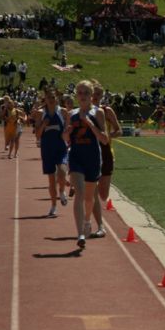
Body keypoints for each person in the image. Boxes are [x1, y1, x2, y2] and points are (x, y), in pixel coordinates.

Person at [62, 80, 108, 249]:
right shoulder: (71, 113)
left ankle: (88, 221)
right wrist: (66, 133)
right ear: (76, 95)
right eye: (79, 93)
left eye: (86, 93)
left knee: (89, 198)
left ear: (91, 96)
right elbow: (65, 139)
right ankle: (80, 233)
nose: (82, 96)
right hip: (76, 157)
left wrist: (89, 123)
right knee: (79, 194)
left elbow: (104, 139)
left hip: (93, 158)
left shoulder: (98, 113)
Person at [89, 82, 122, 239]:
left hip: (106, 153)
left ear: (101, 96)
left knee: (103, 195)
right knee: (90, 189)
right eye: (92, 94)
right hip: (89, 154)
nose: (94, 97)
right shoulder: (83, 111)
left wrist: (109, 136)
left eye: (97, 95)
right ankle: (91, 223)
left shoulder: (106, 111)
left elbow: (119, 130)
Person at [34, 86, 70, 217]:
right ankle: (53, 206)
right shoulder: (40, 113)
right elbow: (37, 135)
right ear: (45, 98)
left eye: (53, 97)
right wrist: (44, 124)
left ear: (57, 98)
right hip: (47, 149)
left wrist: (66, 132)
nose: (51, 100)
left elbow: (67, 129)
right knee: (51, 180)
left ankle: (61, 191)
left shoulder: (64, 112)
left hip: (60, 148)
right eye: (48, 97)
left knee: (61, 173)